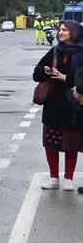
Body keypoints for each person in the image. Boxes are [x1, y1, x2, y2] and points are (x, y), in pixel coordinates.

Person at [33, 20, 83, 191]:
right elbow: (36, 73)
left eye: (64, 30)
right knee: (51, 142)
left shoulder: (81, 52)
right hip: (53, 103)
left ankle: (68, 178)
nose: (60, 33)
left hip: (73, 103)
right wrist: (45, 71)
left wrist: (65, 78)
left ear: (74, 33)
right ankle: (53, 177)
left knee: (71, 143)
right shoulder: (55, 51)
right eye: (60, 30)